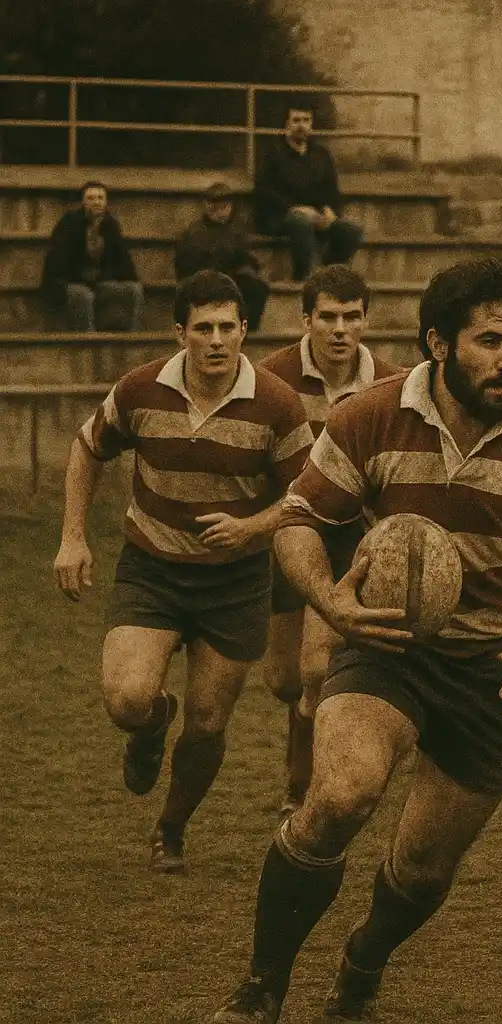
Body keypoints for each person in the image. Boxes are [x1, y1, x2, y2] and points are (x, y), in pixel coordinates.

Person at [209, 257, 502, 1023]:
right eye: (489, 341)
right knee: (339, 797)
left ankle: (363, 964)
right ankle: (261, 987)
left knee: (421, 865)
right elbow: (301, 520)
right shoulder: (372, 415)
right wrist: (329, 600)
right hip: (390, 648)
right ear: (439, 343)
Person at [52, 270, 312, 874]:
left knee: (209, 722)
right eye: (204, 329)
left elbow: (305, 495)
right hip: (153, 570)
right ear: (180, 334)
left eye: (229, 327)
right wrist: (71, 536)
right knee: (125, 699)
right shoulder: (141, 390)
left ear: (245, 330)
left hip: (238, 580)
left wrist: (252, 528)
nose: (217, 341)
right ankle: (151, 722)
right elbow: (87, 446)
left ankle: (171, 827)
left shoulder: (277, 402)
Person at [258, 264, 406, 815]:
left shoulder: (393, 385)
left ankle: (304, 791)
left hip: (355, 541)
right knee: (284, 678)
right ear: (306, 320)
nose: (341, 329)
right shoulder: (271, 381)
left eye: (352, 317)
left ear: (366, 320)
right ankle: (302, 724)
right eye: (329, 317)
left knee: (319, 669)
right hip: (292, 533)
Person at [254, 104, 364, 282]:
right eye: (296, 120)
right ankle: (305, 276)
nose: (301, 125)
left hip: (317, 215)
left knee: (352, 231)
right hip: (280, 216)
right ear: (286, 125)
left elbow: (332, 190)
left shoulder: (321, 155)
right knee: (301, 221)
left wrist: (330, 211)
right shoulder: (272, 154)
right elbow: (264, 191)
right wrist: (295, 209)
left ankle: (330, 270)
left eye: (306, 120)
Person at [41, 181, 144, 332]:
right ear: (83, 202)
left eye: (100, 198)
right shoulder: (69, 224)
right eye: (91, 198)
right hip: (71, 282)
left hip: (100, 282)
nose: (96, 202)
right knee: (83, 296)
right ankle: (88, 341)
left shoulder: (111, 226)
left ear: (106, 202)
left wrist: (124, 279)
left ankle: (130, 338)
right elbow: (57, 262)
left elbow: (123, 260)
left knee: (134, 290)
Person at [175, 182, 270, 332]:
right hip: (202, 279)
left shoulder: (236, 230)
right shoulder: (195, 233)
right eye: (216, 207)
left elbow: (245, 257)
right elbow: (189, 265)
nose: (221, 212)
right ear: (207, 207)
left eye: (225, 207)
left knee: (255, 287)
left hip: (231, 278)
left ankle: (248, 329)